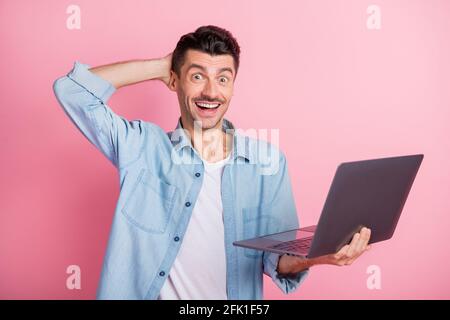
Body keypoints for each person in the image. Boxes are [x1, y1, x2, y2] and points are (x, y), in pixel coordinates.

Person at [53, 25, 371, 300]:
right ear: (175, 81)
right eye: (196, 76)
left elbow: (276, 260)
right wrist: (162, 65)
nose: (210, 91)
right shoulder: (142, 146)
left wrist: (316, 256)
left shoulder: (267, 161)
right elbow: (71, 91)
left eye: (223, 78)